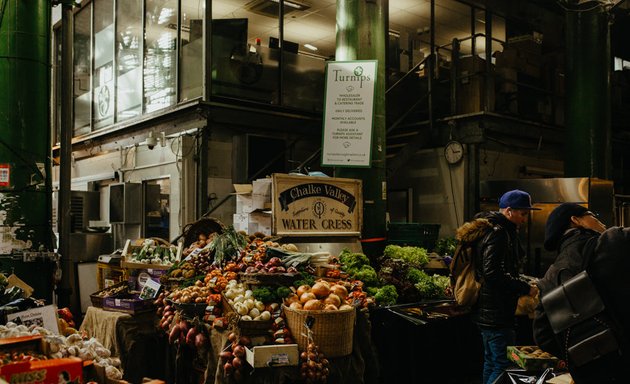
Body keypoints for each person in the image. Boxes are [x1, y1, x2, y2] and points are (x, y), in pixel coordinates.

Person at [533, 203, 630, 383]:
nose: (601, 223)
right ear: (576, 220)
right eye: (594, 216)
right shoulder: (614, 241)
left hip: (591, 373)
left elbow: (543, 336)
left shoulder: (548, 278)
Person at [472, 189, 539, 384]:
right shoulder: (499, 233)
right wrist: (525, 288)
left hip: (488, 312)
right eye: (523, 214)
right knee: (501, 364)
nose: (525, 219)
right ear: (509, 211)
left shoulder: (492, 229)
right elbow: (493, 273)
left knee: (491, 362)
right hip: (496, 314)